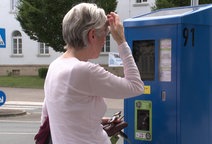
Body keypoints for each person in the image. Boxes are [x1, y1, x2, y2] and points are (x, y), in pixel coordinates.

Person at [40, 2, 144, 144]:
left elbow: (56, 114)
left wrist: (95, 121)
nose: (105, 41)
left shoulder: (55, 66)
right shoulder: (84, 71)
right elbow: (136, 86)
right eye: (106, 35)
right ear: (92, 35)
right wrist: (121, 41)